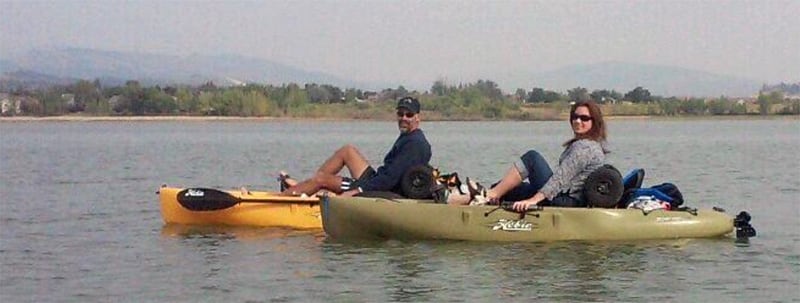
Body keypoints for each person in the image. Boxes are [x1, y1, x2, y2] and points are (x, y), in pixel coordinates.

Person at [446, 100, 608, 210]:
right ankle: (472, 199)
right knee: (509, 186)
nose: (578, 121)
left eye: (584, 118)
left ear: (594, 121)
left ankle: (488, 195)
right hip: (562, 196)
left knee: (532, 158)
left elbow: (560, 179)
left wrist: (532, 201)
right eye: (575, 117)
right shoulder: (582, 144)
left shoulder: (585, 148)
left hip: (567, 202)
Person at [279, 96, 432, 197]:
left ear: (418, 117)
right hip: (378, 180)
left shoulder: (415, 144)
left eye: (409, 115)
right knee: (347, 151)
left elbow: (390, 179)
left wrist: (358, 190)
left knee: (322, 179)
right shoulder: (410, 137)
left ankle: (284, 198)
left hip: (382, 191)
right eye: (400, 113)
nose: (404, 118)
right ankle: (306, 187)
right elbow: (387, 174)